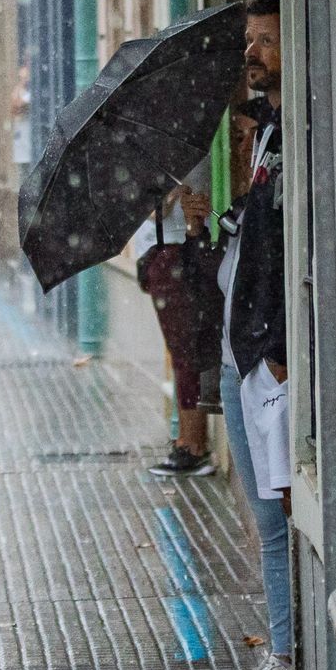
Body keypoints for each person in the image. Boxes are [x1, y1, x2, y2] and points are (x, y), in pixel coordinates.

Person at [182, 0, 295, 670]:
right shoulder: (262, 140)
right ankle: (280, 654)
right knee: (263, 521)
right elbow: (250, 246)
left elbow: (289, 252)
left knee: (281, 522)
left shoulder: (292, 138)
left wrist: (278, 354)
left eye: (264, 41)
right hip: (239, 353)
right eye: (250, 41)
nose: (252, 54)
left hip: (267, 360)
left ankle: (291, 668)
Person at [137, 182, 223, 478]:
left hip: (180, 255)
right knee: (181, 354)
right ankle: (187, 441)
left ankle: (194, 447)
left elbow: (158, 210)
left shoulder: (183, 154)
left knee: (189, 352)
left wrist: (171, 196)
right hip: (162, 256)